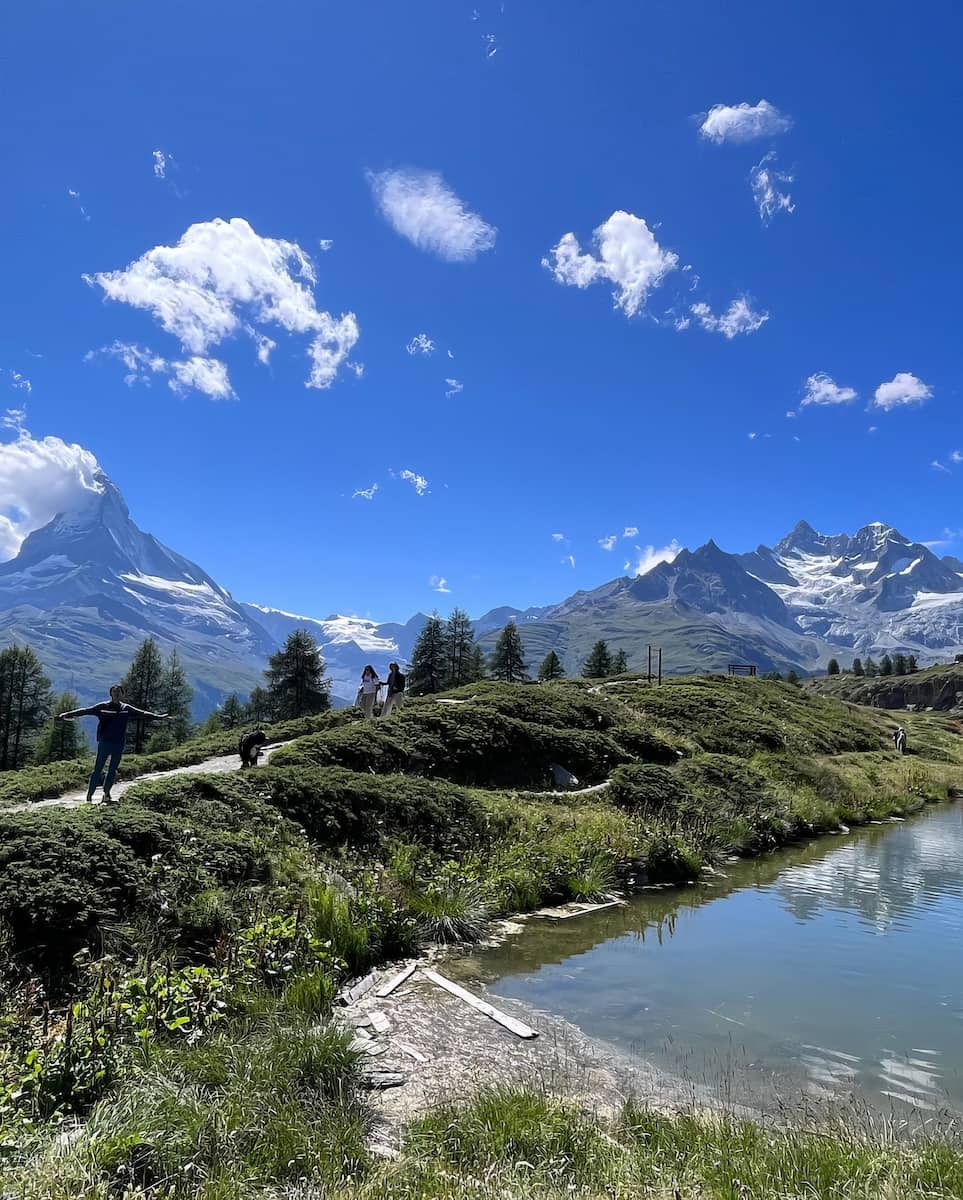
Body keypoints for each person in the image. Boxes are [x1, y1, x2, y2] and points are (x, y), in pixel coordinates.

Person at [59, 685, 170, 802]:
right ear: (110, 694)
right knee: (98, 769)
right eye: (114, 692)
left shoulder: (126, 709)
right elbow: (85, 711)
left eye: (118, 692)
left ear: (122, 694)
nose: (116, 694)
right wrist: (67, 714)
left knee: (112, 770)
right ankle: (89, 795)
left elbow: (143, 714)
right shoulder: (103, 707)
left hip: (118, 744)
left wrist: (160, 717)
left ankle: (106, 794)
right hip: (104, 743)